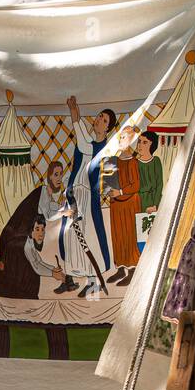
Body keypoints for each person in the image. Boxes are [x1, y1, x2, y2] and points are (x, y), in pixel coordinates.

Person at [66, 98, 116, 275]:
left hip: (86, 194)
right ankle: (76, 268)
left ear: (107, 128)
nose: (98, 120)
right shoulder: (91, 142)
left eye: (104, 120)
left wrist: (74, 112)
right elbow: (82, 135)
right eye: (99, 116)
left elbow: (81, 138)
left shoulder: (102, 147)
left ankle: (92, 270)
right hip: (77, 191)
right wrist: (75, 111)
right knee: (74, 231)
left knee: (87, 230)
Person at [108, 124, 142, 286]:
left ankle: (133, 270)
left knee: (130, 236)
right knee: (117, 236)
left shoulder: (133, 162)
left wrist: (120, 192)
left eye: (124, 137)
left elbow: (135, 185)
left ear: (131, 140)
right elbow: (107, 181)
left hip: (129, 204)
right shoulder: (113, 161)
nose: (120, 140)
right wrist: (107, 189)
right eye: (120, 137)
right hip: (116, 205)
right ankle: (120, 268)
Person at [137, 130, 163, 213]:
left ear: (152, 145)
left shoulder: (156, 161)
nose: (140, 145)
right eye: (139, 141)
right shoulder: (135, 163)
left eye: (144, 142)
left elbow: (159, 184)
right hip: (139, 201)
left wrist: (155, 205)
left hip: (154, 200)